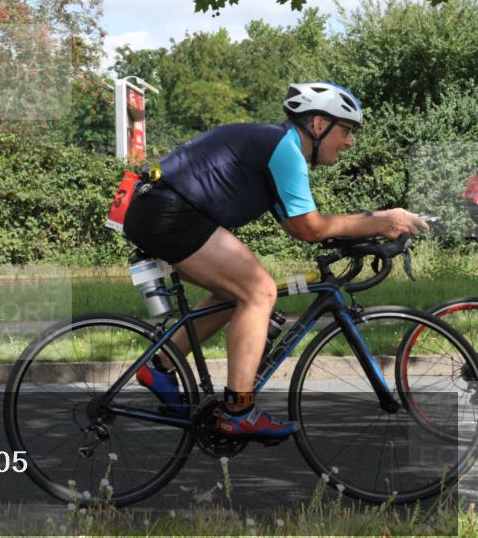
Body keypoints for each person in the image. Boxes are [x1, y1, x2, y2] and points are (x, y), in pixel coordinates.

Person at [122, 82, 429, 441]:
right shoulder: (285, 150)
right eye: (345, 130)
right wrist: (380, 220)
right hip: (170, 213)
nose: (349, 142)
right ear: (318, 125)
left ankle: (160, 366)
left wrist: (367, 231)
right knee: (260, 291)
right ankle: (238, 410)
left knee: (235, 294)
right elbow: (311, 227)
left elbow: (298, 227)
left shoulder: (274, 146)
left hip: (159, 209)